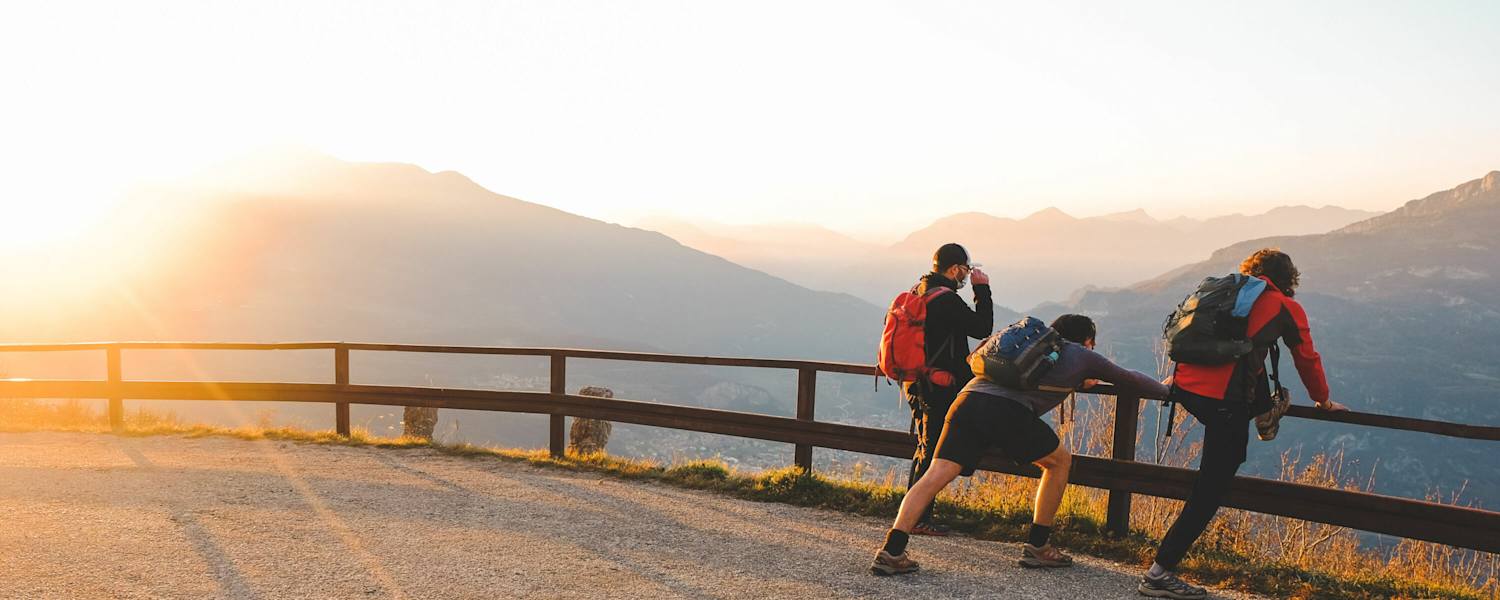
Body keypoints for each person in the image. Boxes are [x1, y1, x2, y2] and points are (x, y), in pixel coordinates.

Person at [873, 314, 1170, 575]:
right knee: (1059, 462)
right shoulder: (1081, 354)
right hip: (1005, 410)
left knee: (936, 474)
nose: (1092, 349)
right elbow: (1127, 378)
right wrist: (1164, 390)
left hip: (966, 400)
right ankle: (1038, 546)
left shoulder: (1029, 345)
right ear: (1087, 340)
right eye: (1092, 343)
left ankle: (892, 550)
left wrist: (1078, 382)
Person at [1138, 249, 1348, 599]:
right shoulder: (1284, 306)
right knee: (1210, 489)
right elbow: (1307, 358)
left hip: (1186, 390)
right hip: (1223, 403)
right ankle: (1159, 573)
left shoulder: (1226, 292)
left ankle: (1264, 410)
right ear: (1288, 278)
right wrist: (1323, 400)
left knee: (1252, 356)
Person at [900, 243, 994, 536]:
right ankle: (917, 519)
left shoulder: (919, 290)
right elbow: (981, 328)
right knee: (931, 452)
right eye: (965, 270)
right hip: (938, 386)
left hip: (916, 381)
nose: (966, 276)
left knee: (925, 448)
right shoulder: (946, 299)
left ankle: (916, 514)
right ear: (954, 269)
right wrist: (983, 291)